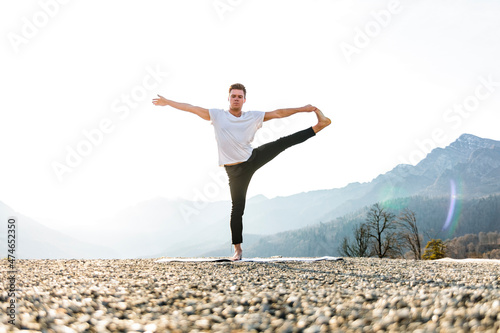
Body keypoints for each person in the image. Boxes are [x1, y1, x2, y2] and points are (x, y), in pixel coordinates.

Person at [152, 83, 331, 260]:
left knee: (282, 143)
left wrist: (303, 109)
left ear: (244, 100)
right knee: (237, 208)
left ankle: (320, 125)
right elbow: (191, 108)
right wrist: (168, 102)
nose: (236, 99)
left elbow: (278, 113)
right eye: (233, 96)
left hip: (252, 158)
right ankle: (238, 250)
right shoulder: (216, 115)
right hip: (234, 171)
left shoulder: (252, 116)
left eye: (239, 96)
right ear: (228, 98)